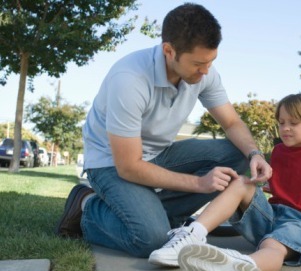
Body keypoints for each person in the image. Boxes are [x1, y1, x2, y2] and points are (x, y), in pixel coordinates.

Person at [54, 3, 272, 258]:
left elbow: (232, 123)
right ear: (169, 51)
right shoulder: (129, 79)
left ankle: (160, 215)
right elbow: (129, 166)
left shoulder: (204, 73)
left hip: (160, 153)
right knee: (152, 239)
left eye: (211, 62)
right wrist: (199, 184)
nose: (205, 72)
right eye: (198, 64)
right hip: (111, 163)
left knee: (237, 153)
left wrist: (255, 154)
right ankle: (88, 206)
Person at [148, 94, 301, 270]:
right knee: (242, 182)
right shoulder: (277, 151)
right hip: (272, 216)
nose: (285, 128)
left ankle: (245, 264)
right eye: (281, 122)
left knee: (274, 245)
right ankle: (191, 235)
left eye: (293, 123)